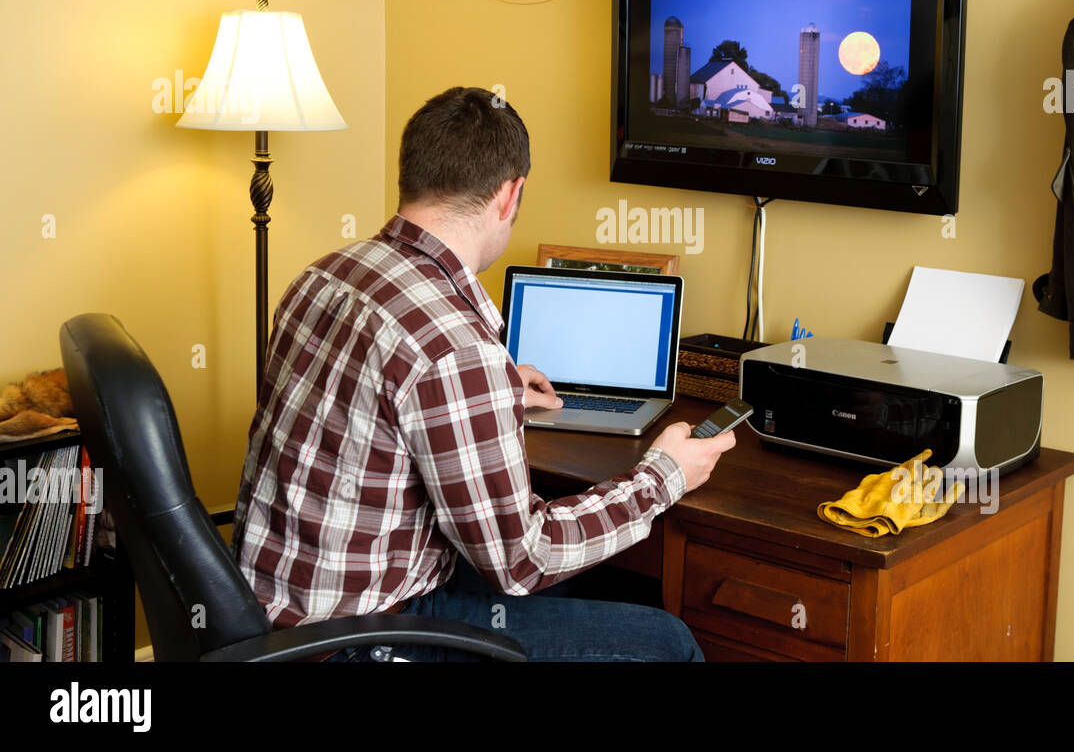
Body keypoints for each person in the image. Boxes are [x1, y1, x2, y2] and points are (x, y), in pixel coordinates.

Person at [229, 86, 735, 661]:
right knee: (669, 642)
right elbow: (523, 559)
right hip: (355, 640)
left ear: (411, 173)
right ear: (510, 193)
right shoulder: (453, 349)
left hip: (270, 609)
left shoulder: (325, 276)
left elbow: (368, 413)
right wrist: (663, 475)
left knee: (585, 579)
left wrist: (492, 390)